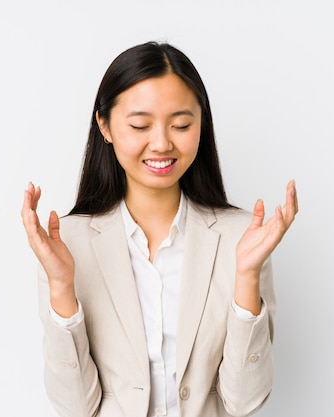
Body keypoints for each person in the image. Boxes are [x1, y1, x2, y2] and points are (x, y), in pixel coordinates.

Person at [21, 41, 298, 417]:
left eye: (181, 124)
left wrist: (247, 275)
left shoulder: (241, 240)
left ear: (202, 124)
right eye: (140, 125)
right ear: (105, 125)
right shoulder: (68, 244)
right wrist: (61, 287)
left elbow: (244, 401)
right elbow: (74, 407)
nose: (162, 143)